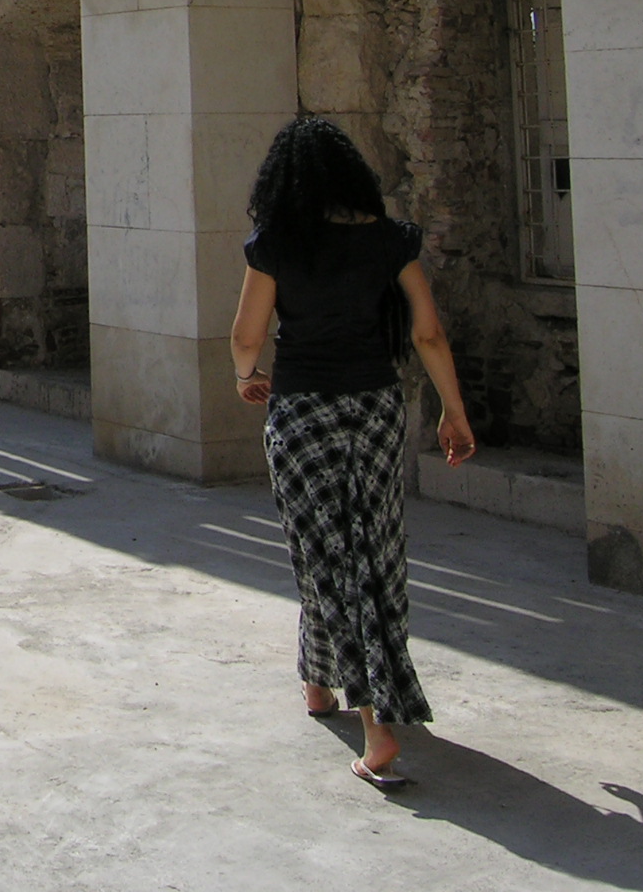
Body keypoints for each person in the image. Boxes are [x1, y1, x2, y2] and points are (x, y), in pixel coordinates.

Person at [228, 114, 475, 790]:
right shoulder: (391, 242)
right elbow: (427, 334)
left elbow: (247, 335)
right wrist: (454, 412)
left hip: (303, 413)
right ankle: (317, 683)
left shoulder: (276, 245)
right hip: (375, 410)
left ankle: (376, 726)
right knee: (370, 549)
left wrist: (247, 376)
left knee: (326, 553)